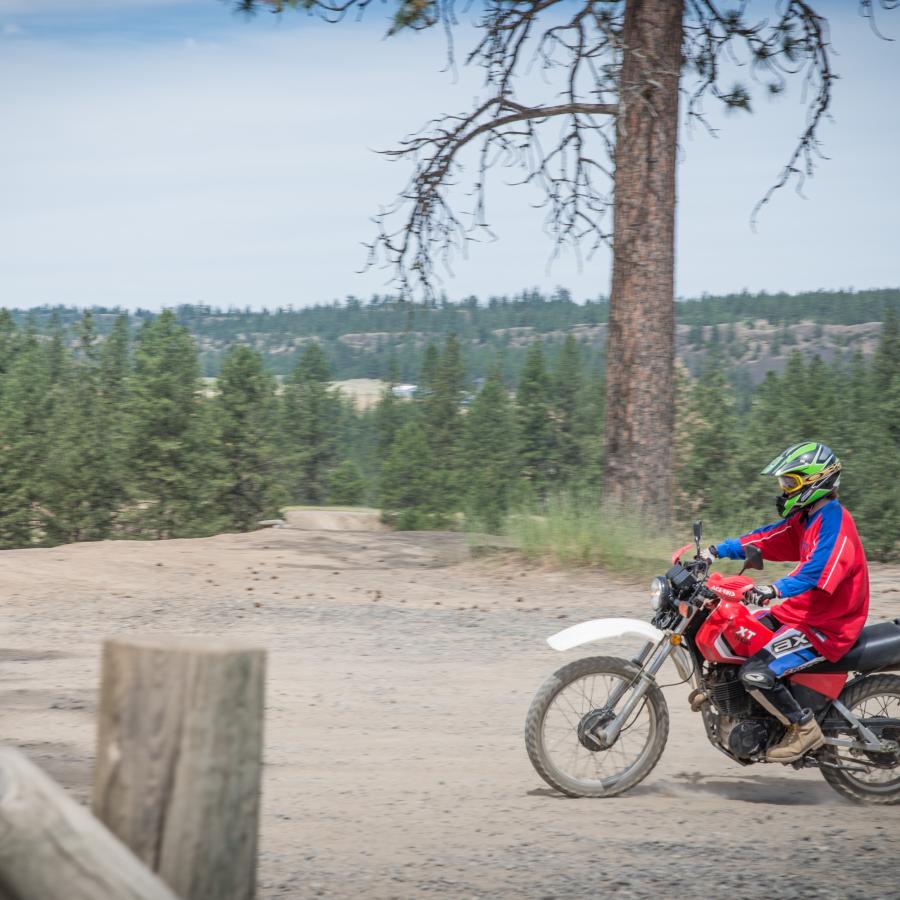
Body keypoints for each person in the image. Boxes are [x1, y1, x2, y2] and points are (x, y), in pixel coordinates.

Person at [703, 441, 869, 763]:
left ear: (815, 482)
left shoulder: (836, 524)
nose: (784, 490)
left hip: (826, 627)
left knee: (756, 672)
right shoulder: (808, 518)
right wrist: (716, 551)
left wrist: (773, 589)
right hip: (799, 614)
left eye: (790, 482)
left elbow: (816, 572)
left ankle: (803, 729)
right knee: (737, 633)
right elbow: (767, 539)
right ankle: (721, 692)